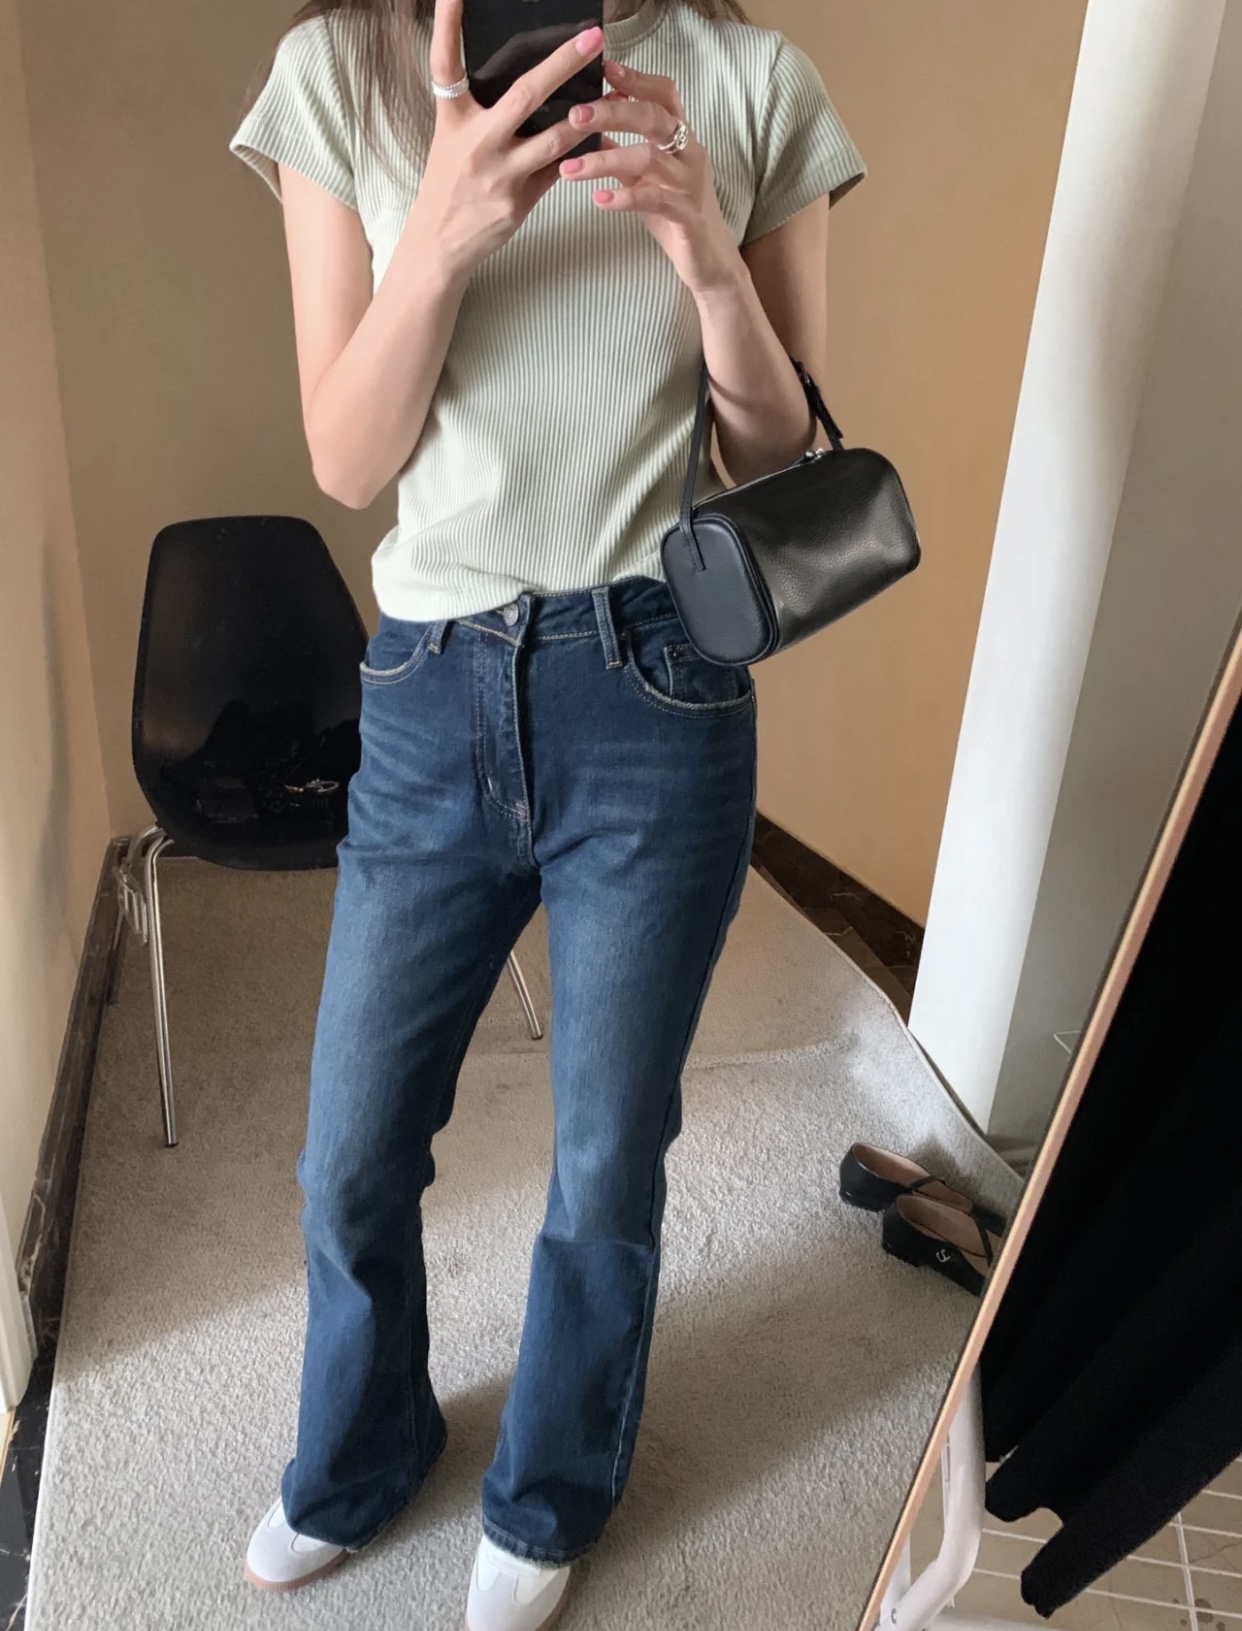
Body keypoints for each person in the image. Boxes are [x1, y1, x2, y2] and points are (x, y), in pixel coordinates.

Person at [228, 0, 864, 1623]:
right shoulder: (337, 71)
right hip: (429, 688)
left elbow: (777, 458)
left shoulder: (751, 79)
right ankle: (361, 1450)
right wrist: (443, 234)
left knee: (605, 1150)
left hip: (655, 685)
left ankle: (552, 1487)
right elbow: (347, 458)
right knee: (350, 1153)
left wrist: (707, 257)